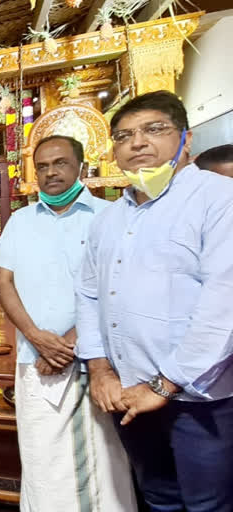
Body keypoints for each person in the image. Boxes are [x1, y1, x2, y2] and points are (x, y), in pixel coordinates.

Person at [76, 91, 233, 512]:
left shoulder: (218, 199)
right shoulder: (110, 219)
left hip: (199, 398)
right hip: (128, 391)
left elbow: (224, 303)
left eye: (154, 129)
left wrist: (164, 384)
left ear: (187, 138)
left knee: (208, 504)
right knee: (158, 498)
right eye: (124, 135)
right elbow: (89, 294)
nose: (138, 143)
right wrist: (100, 368)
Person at [0, 135, 136, 511]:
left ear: (81, 167)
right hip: (34, 359)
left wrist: (71, 342)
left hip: (96, 360)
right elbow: (3, 281)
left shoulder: (110, 215)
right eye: (42, 166)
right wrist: (36, 337)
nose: (51, 172)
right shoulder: (21, 221)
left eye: (60, 163)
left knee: (100, 460)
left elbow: (118, 286)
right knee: (42, 457)